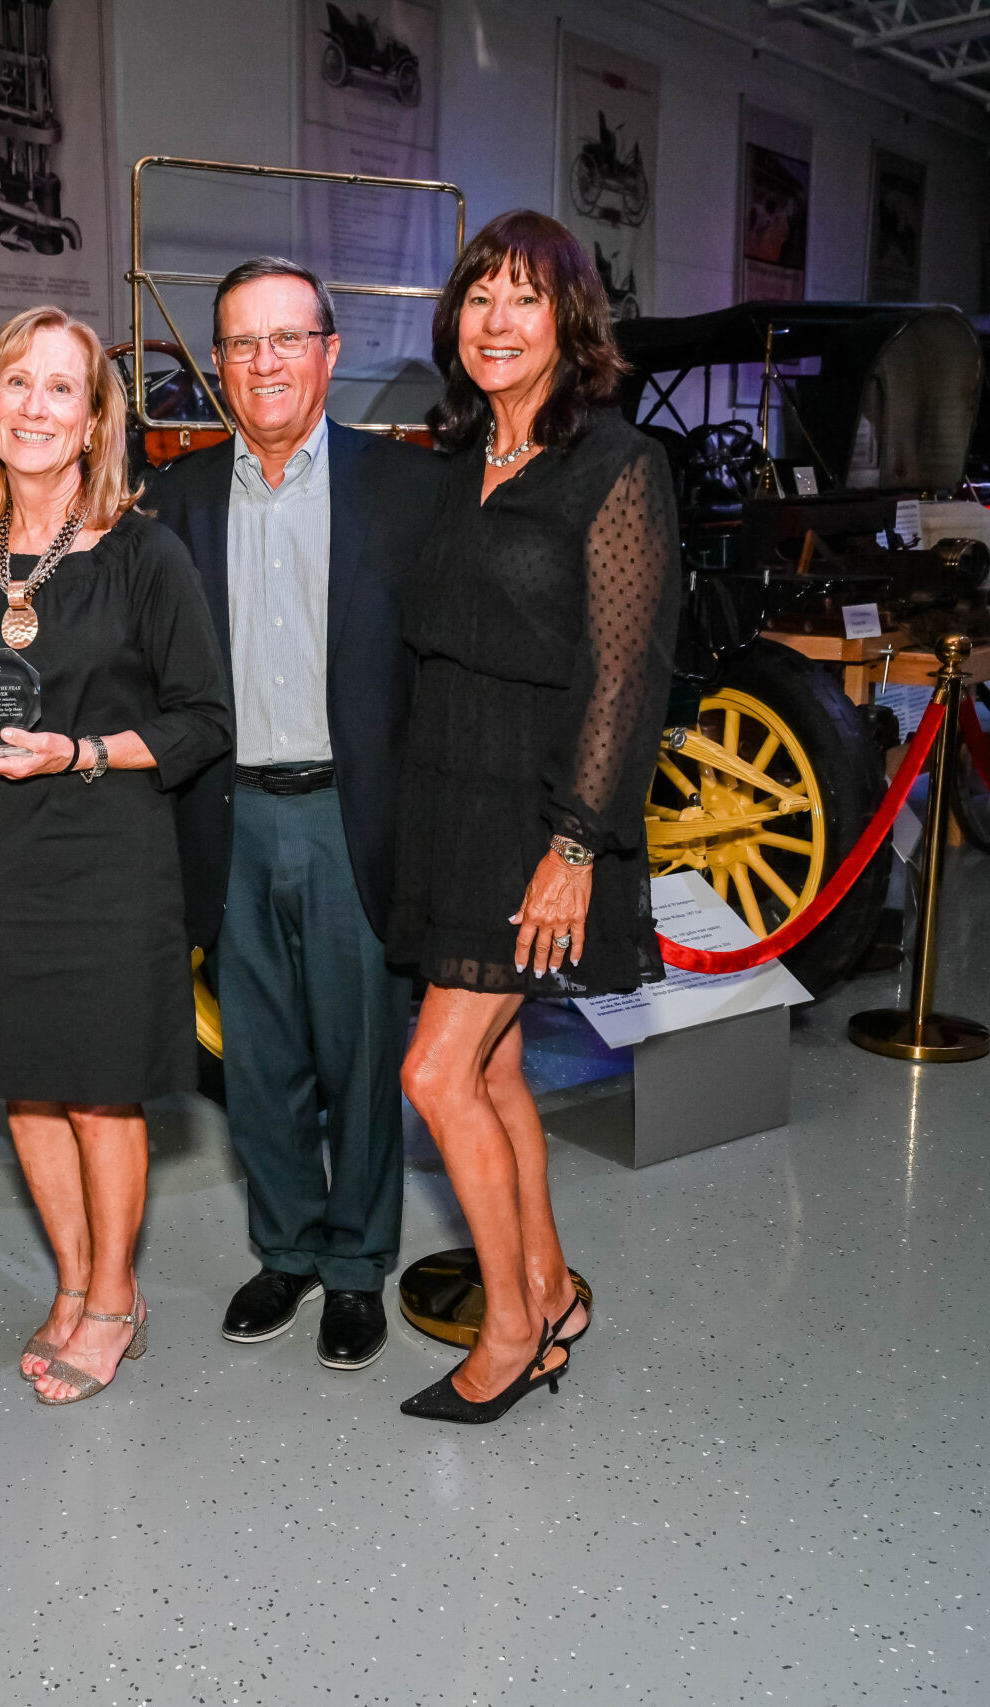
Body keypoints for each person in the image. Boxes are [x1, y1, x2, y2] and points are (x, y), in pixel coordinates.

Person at [388, 211, 679, 1425]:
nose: (496, 321)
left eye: (524, 299)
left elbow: (626, 677)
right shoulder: (456, 458)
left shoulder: (616, 464)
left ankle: (510, 1334)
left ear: (570, 321)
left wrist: (573, 847)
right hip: (447, 796)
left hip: (536, 812)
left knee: (434, 1071)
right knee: (495, 1066)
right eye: (478, 297)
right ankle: (549, 1290)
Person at [144, 258, 443, 1372]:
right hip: (227, 817)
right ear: (217, 364)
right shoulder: (174, 501)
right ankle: (285, 1250)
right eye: (240, 342)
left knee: (361, 1058)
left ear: (329, 352)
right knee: (258, 1061)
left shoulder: (406, 489)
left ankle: (357, 1266)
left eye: (286, 339)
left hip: (350, 817)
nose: (263, 362)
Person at [0, 306, 232, 1405]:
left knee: (103, 1095)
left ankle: (115, 1298)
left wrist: (81, 751)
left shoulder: (145, 554)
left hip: (108, 859)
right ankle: (71, 1282)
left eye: (62, 387)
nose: (36, 406)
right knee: (26, 1091)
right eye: (16, 382)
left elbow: (203, 719)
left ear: (96, 419)